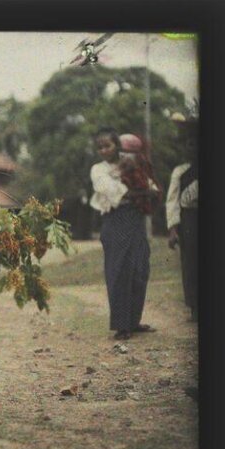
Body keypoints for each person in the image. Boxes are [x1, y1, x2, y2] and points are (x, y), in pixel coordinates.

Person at [90, 127, 159, 340]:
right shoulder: (98, 169)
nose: (103, 150)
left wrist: (146, 191)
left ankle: (134, 321)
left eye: (107, 145)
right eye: (99, 147)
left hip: (135, 220)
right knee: (119, 271)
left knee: (139, 269)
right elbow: (111, 191)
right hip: (115, 220)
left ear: (117, 145)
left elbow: (153, 187)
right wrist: (143, 192)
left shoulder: (134, 163)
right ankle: (121, 326)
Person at [166, 117, 199, 322]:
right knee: (191, 263)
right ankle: (195, 306)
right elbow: (172, 201)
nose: (193, 147)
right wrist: (173, 229)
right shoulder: (180, 171)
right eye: (189, 143)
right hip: (189, 220)